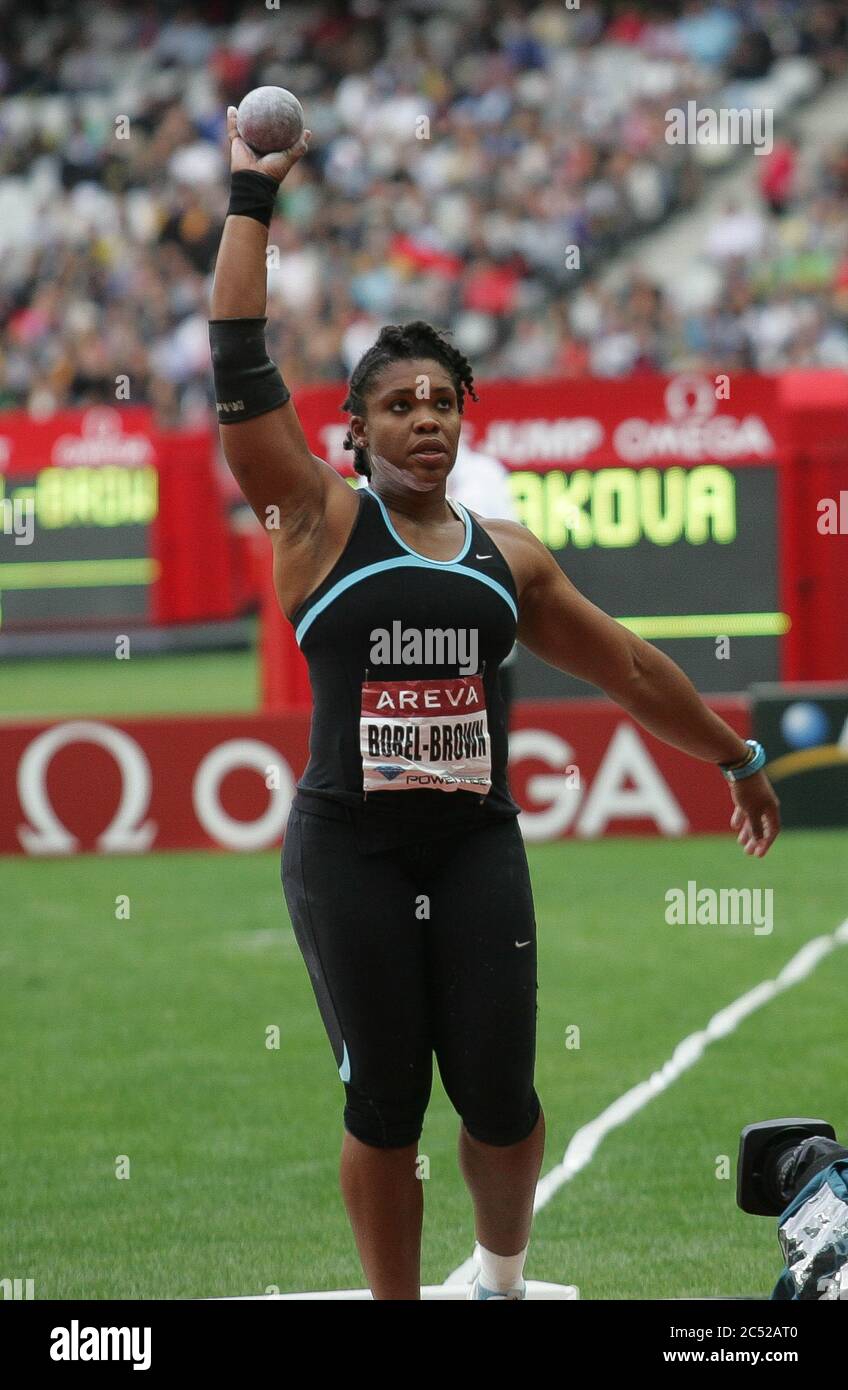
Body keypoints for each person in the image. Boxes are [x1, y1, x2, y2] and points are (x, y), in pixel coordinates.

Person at [208, 109, 781, 1301]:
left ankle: (503, 1283)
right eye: (399, 404)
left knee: (502, 1096)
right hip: (348, 849)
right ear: (352, 431)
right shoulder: (312, 518)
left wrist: (733, 756)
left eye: (442, 401)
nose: (425, 419)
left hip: (474, 845)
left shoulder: (505, 557)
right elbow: (237, 359)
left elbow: (625, 664)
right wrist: (251, 198)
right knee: (382, 1102)